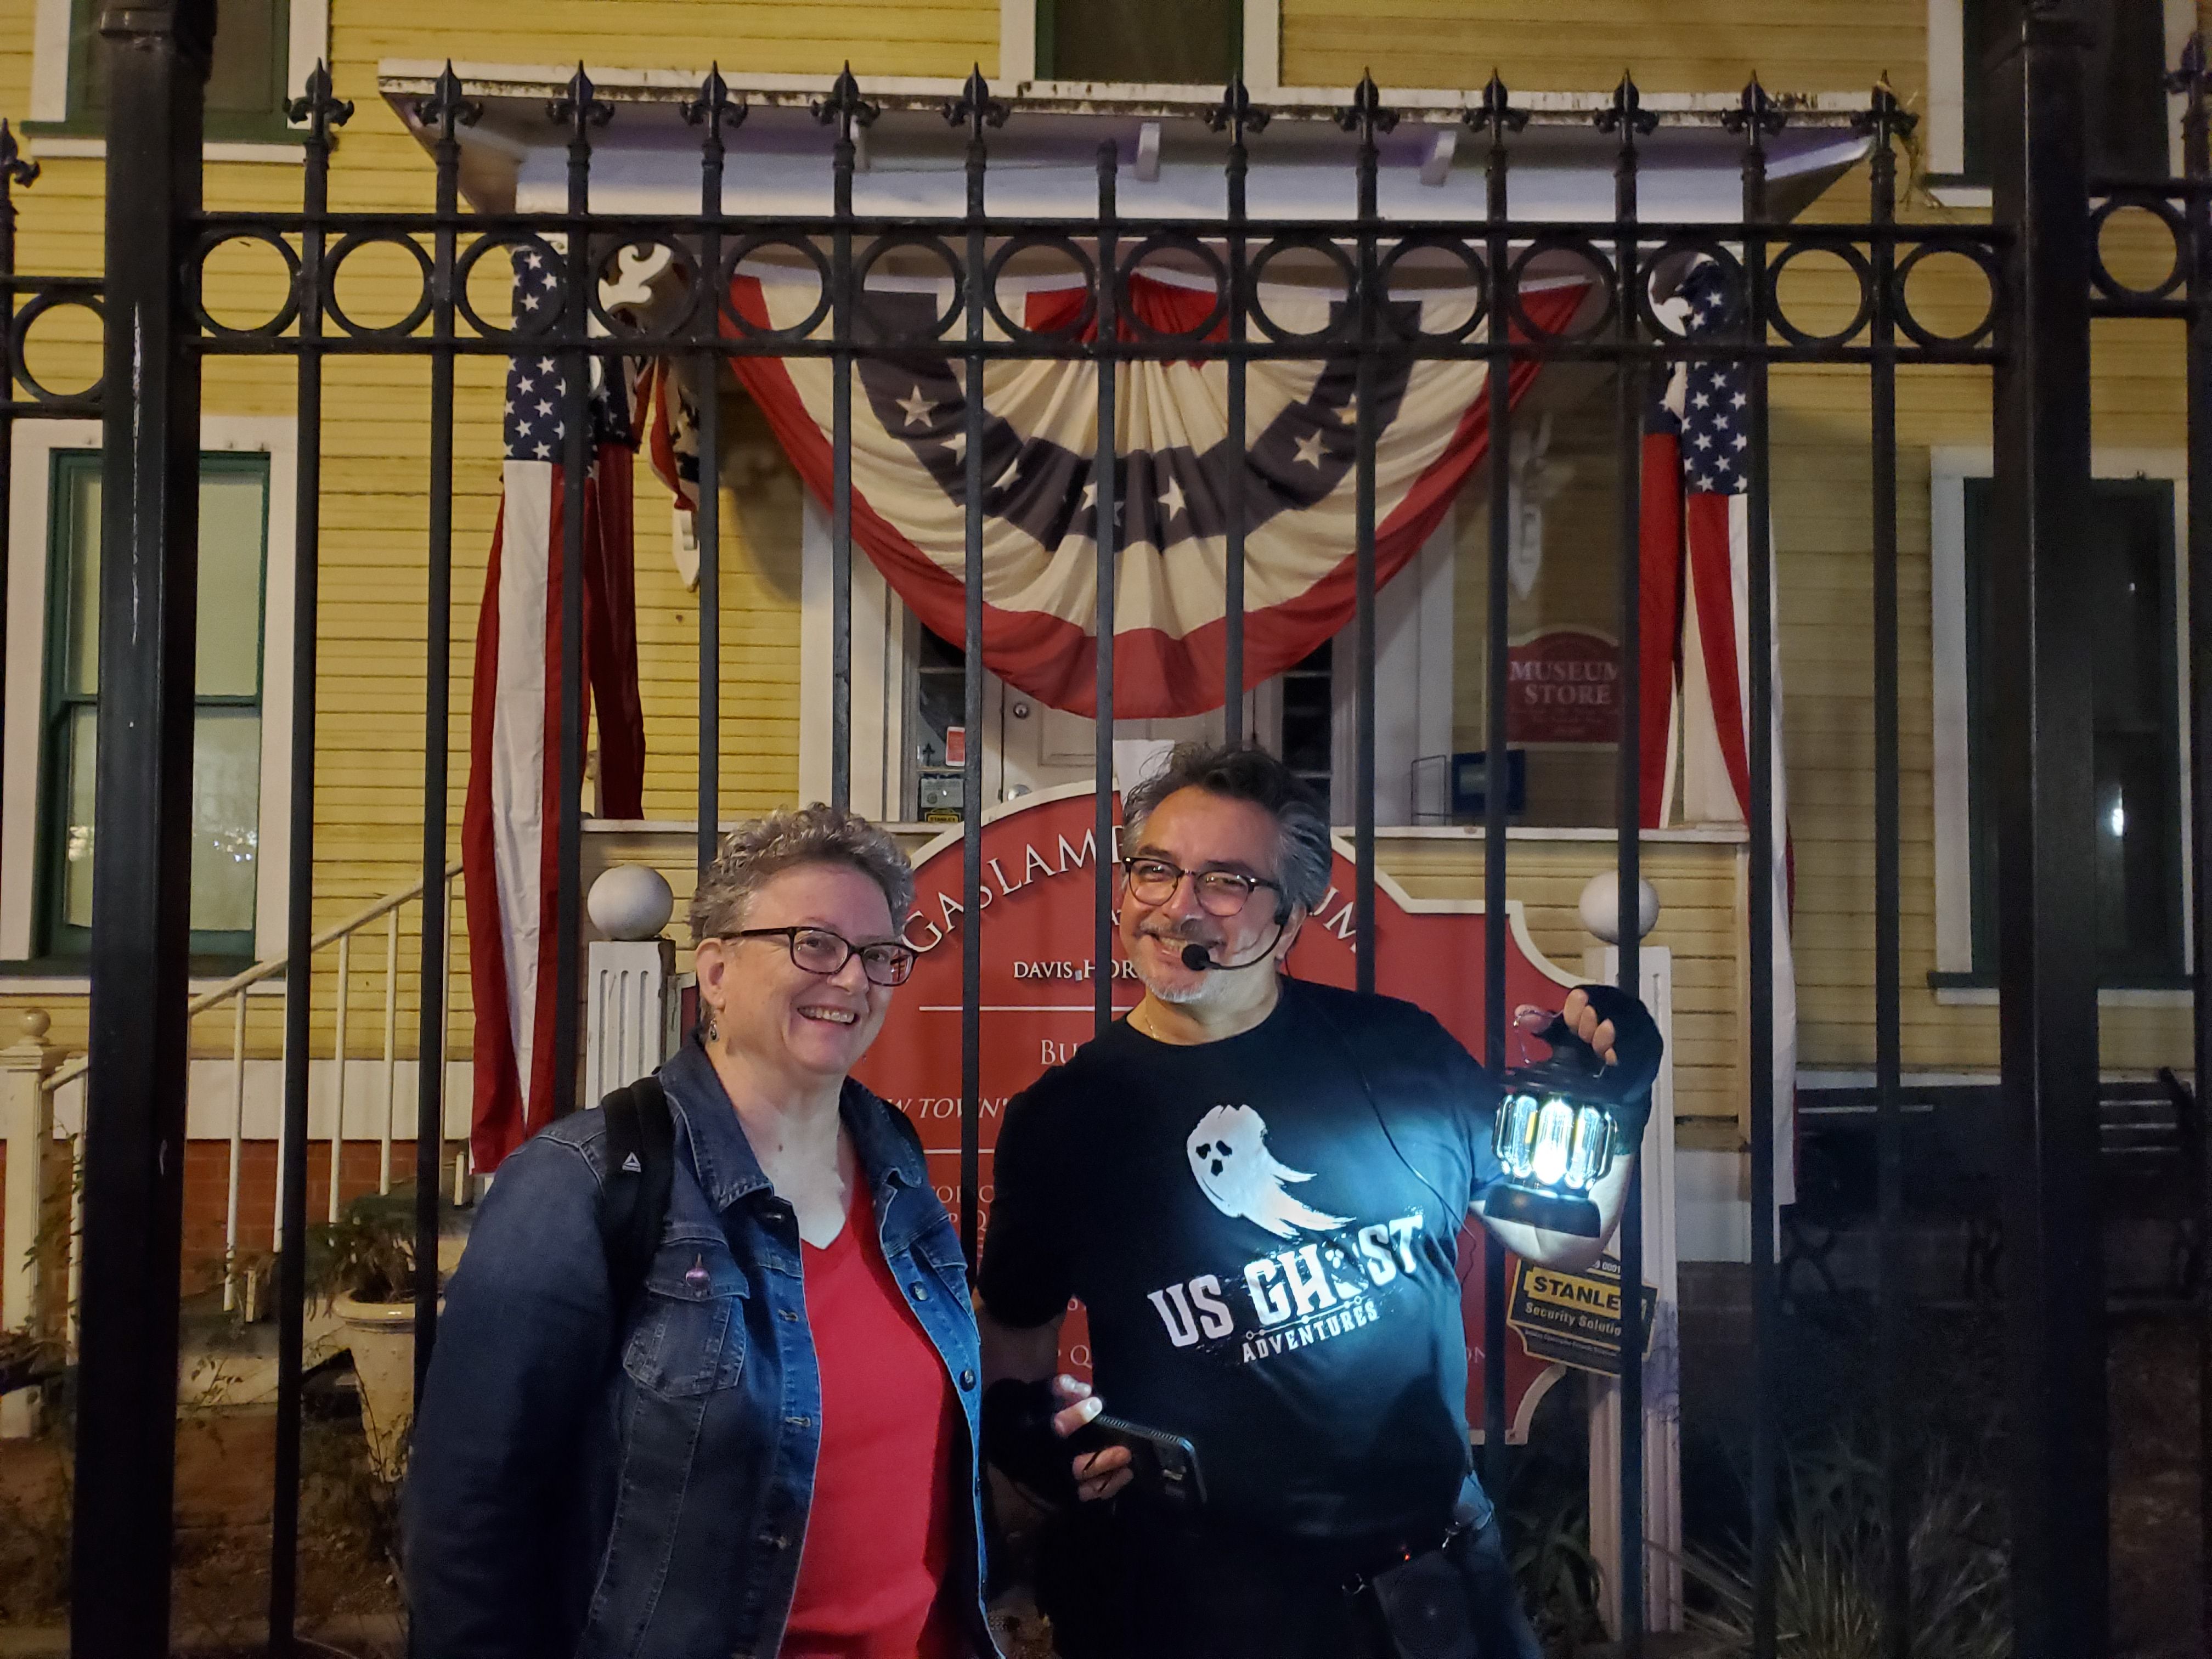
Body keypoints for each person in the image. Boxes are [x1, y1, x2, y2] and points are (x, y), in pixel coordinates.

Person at [977, 743, 1661, 1659]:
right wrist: (1034, 1444)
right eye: (1155, 870)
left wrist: (1616, 1105)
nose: (1179, 905)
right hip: (1202, 1601)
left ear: (1291, 917)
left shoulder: (1396, 1052)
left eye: (1225, 881)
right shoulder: (1063, 1120)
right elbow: (1014, 1354)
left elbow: (1557, 1237)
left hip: (1437, 1584)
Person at [406, 804, 995, 1659]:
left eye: (878, 956)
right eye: (814, 944)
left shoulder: (892, 1152)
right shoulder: (581, 1182)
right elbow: (467, 1519)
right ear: (715, 970)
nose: (853, 980)